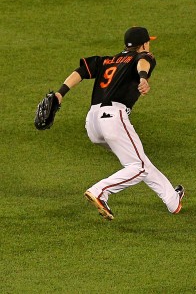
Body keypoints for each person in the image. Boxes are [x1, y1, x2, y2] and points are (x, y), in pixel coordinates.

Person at [54, 26, 184, 220]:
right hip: (113, 117)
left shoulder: (106, 60)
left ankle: (172, 200)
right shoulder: (143, 56)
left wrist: (59, 93)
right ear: (143, 45)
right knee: (138, 166)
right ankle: (100, 191)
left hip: (92, 123)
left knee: (139, 161)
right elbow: (143, 62)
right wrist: (143, 78)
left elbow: (81, 71)